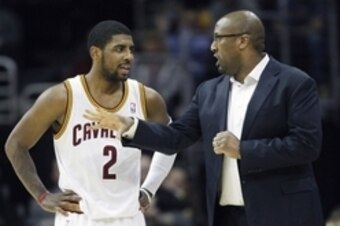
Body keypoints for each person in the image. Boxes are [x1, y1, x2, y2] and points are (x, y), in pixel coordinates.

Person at [84, 10, 324, 226]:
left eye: (218, 38)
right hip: (227, 216)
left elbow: (307, 145)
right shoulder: (209, 91)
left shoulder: (294, 83)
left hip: (282, 214)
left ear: (243, 41)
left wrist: (243, 149)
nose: (212, 47)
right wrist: (132, 127)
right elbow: (177, 136)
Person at [5, 20, 176, 226]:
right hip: (79, 218)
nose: (128, 56)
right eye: (119, 49)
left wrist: (149, 188)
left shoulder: (147, 98)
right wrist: (42, 196)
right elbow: (15, 144)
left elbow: (171, 142)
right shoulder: (62, 97)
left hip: (129, 218)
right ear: (96, 53)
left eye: (131, 49)